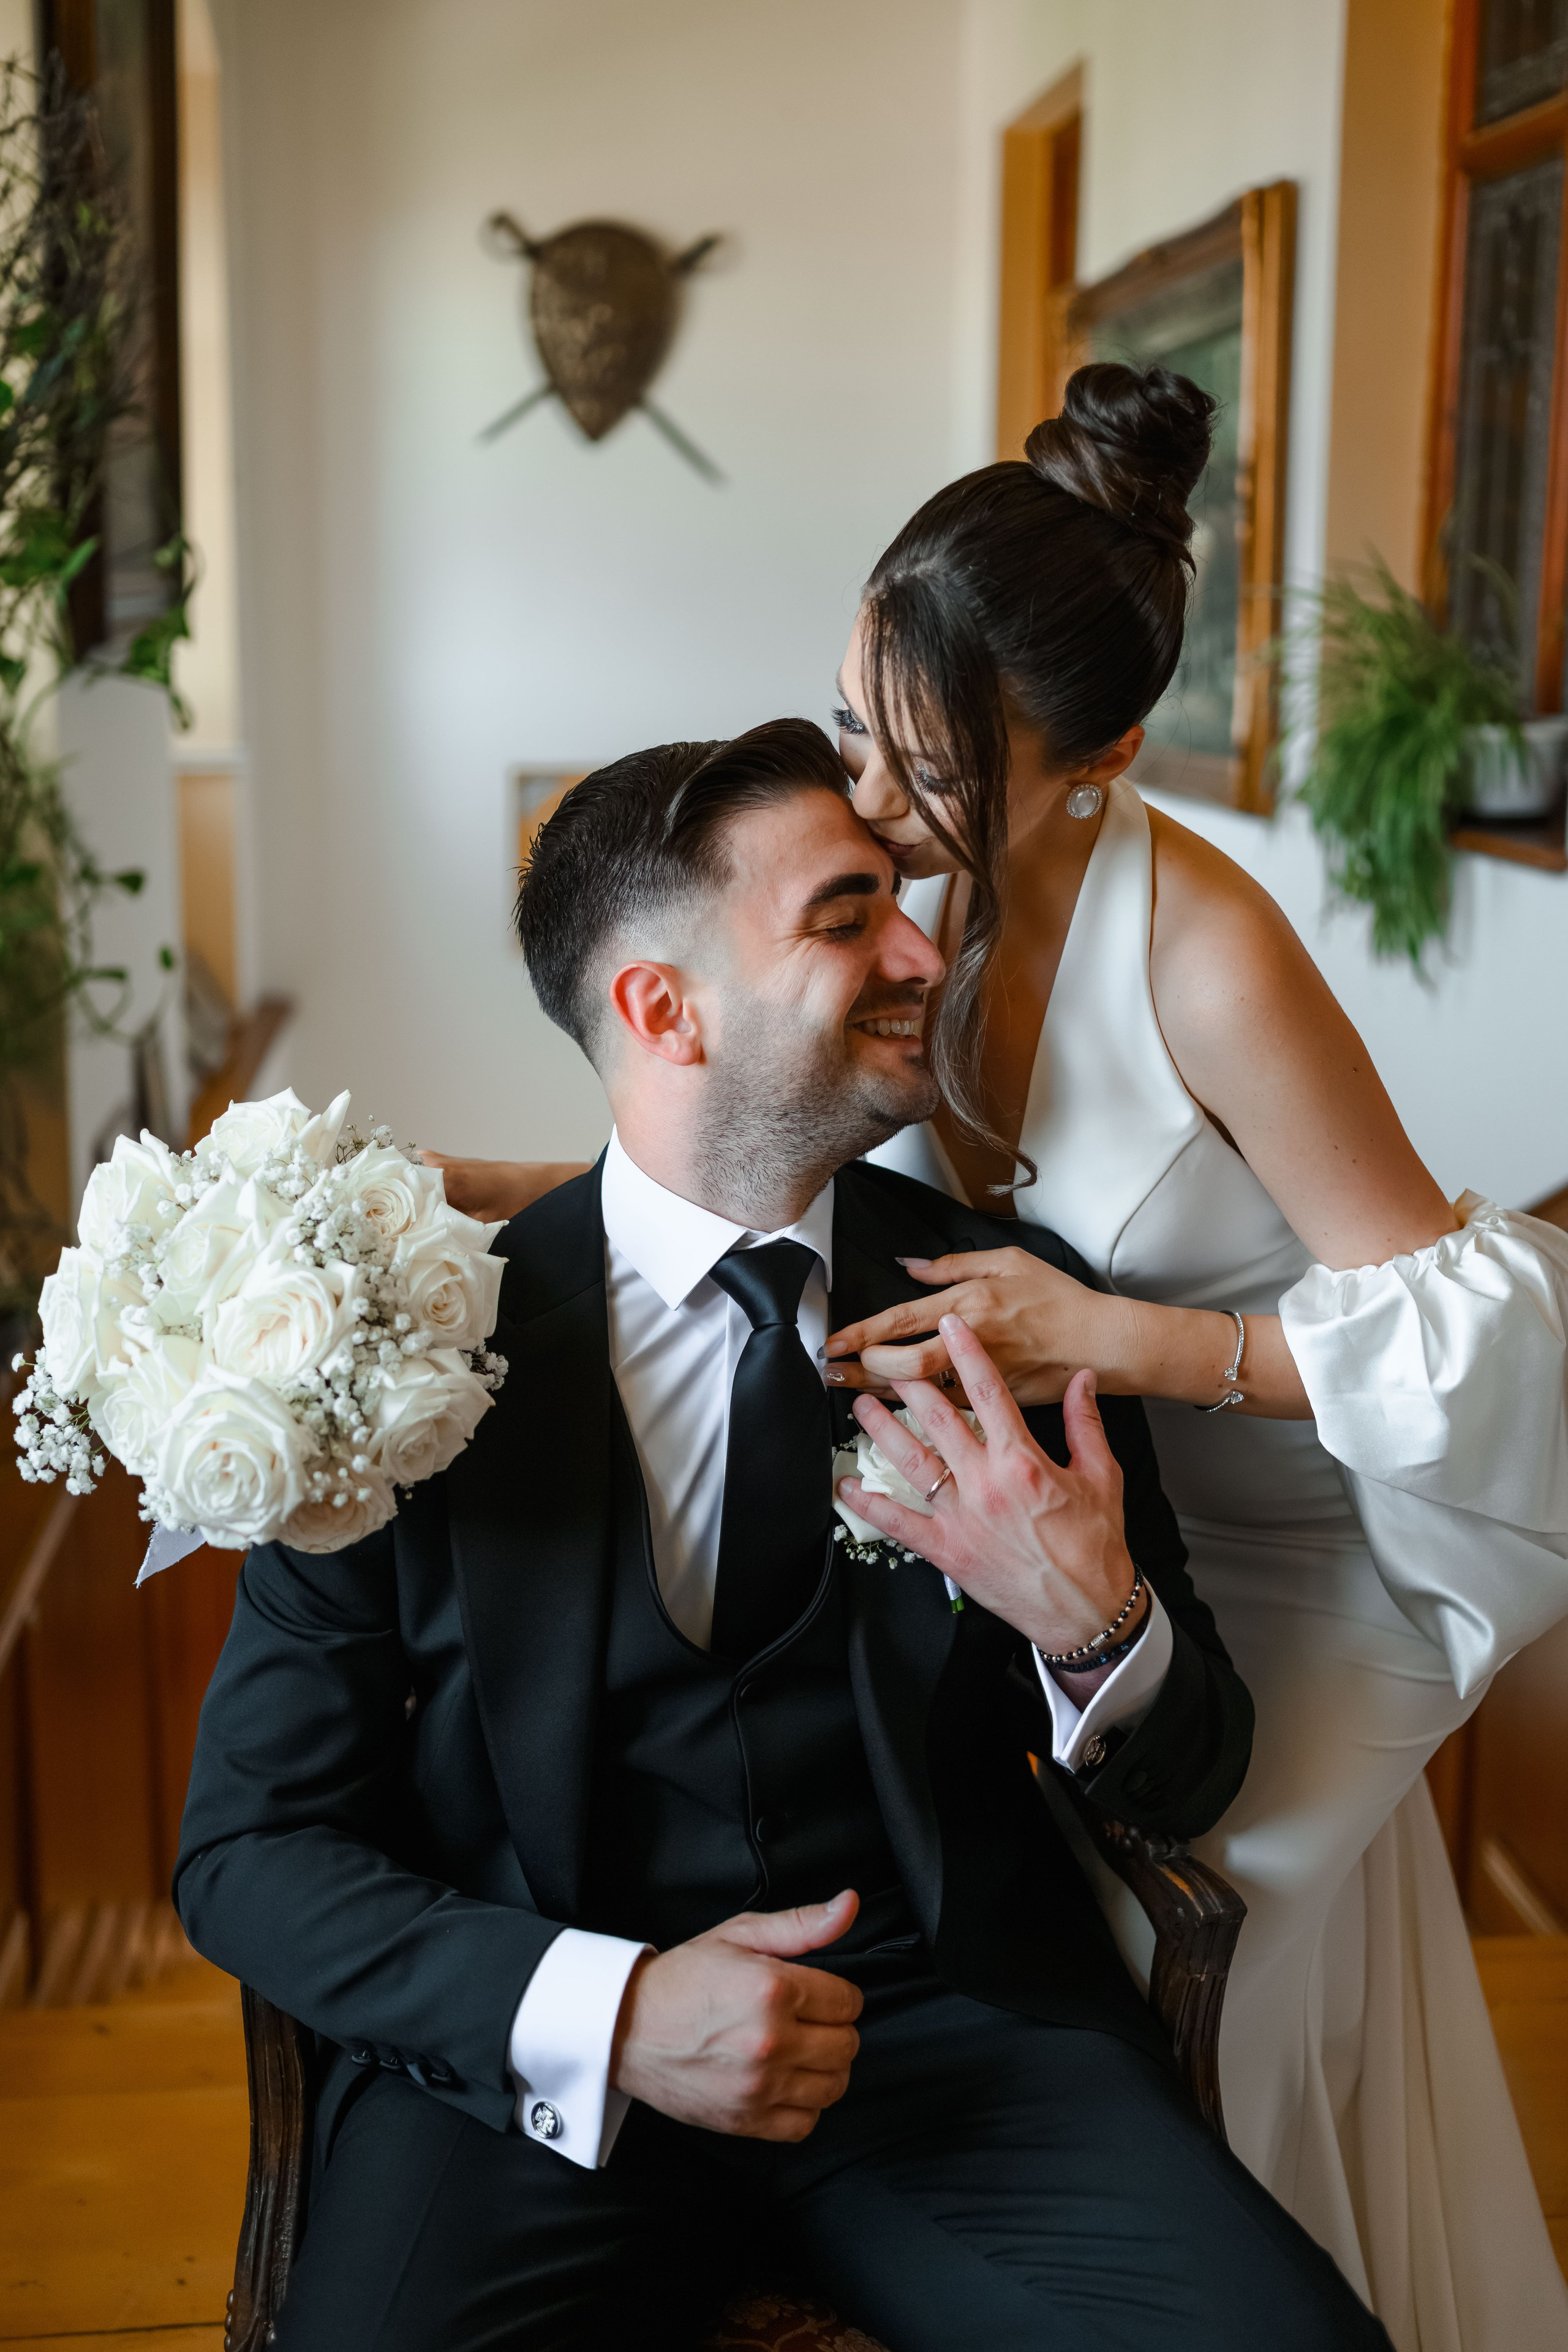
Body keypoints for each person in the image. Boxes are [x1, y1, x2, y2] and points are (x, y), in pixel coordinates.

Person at [423, 369, 1568, 2352]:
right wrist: (506, 1191)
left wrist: (1122, 1337)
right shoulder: (924, 915)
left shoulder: (1201, 950)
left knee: (1199, 1953)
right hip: (1055, 1528)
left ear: (1101, 758)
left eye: (927, 763)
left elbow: (1480, 1319)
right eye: (863, 711)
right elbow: (764, 1163)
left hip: (1298, 1539)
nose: (865, 794)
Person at [175, 723, 1392, 2351]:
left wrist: (1099, 1627)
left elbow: (1200, 1774)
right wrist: (611, 2015)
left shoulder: (1002, 1305)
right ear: (661, 1010)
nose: (920, 949)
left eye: (902, 898)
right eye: (844, 917)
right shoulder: (394, 1346)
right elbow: (247, 1856)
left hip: (948, 2042)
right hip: (527, 2070)